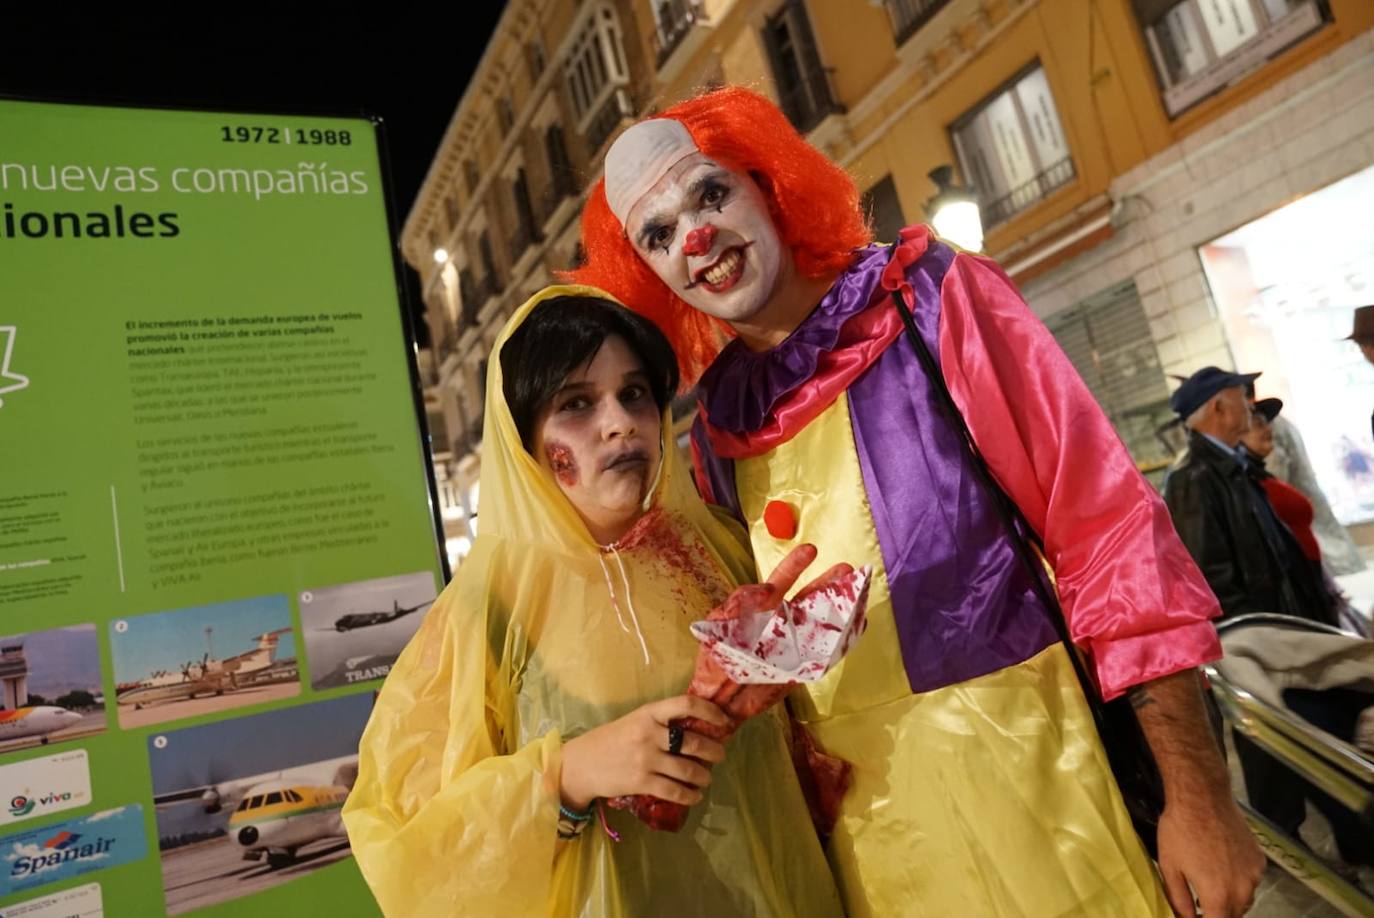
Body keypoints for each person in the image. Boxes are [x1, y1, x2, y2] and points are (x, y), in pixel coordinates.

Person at [571, 86, 1263, 918]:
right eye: (659, 233)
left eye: (711, 194)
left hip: (1052, 806)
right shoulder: (716, 426)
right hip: (876, 858)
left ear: (768, 186)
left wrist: (1199, 795)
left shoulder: (930, 297)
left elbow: (1106, 531)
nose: (697, 236)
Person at [342, 287, 844, 916]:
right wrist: (567, 777)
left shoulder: (725, 554)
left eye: (635, 394)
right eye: (577, 403)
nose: (621, 422)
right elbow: (407, 851)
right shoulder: (484, 611)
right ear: (524, 441)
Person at [1165, 367, 1336, 626]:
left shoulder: (1237, 466)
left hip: (1281, 620)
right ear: (1219, 409)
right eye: (1242, 397)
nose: (1249, 405)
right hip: (1261, 634)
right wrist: (1255, 632)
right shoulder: (1193, 478)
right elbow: (1209, 577)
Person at [1243, 381, 1365, 576]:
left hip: (1309, 531)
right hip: (1315, 521)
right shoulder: (1277, 422)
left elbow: (1274, 483)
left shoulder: (1264, 426)